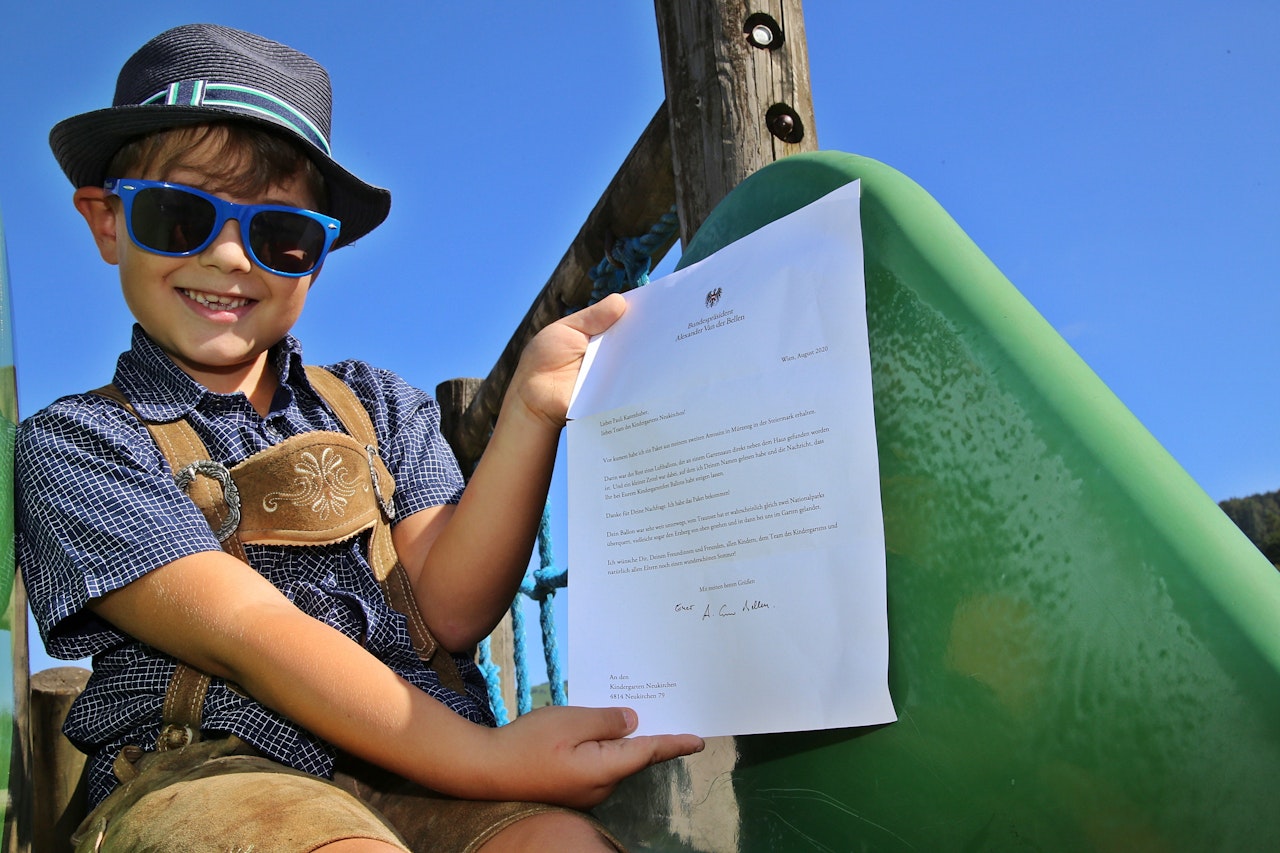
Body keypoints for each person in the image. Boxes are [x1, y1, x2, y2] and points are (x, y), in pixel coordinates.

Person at [17, 23, 703, 852]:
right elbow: (252, 635)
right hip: (221, 776)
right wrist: (489, 760)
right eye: (179, 215)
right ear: (106, 222)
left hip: (423, 766)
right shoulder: (81, 443)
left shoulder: (379, 406)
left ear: (317, 252)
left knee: (562, 844)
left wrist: (527, 409)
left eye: (279, 235)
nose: (232, 257)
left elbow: (449, 610)